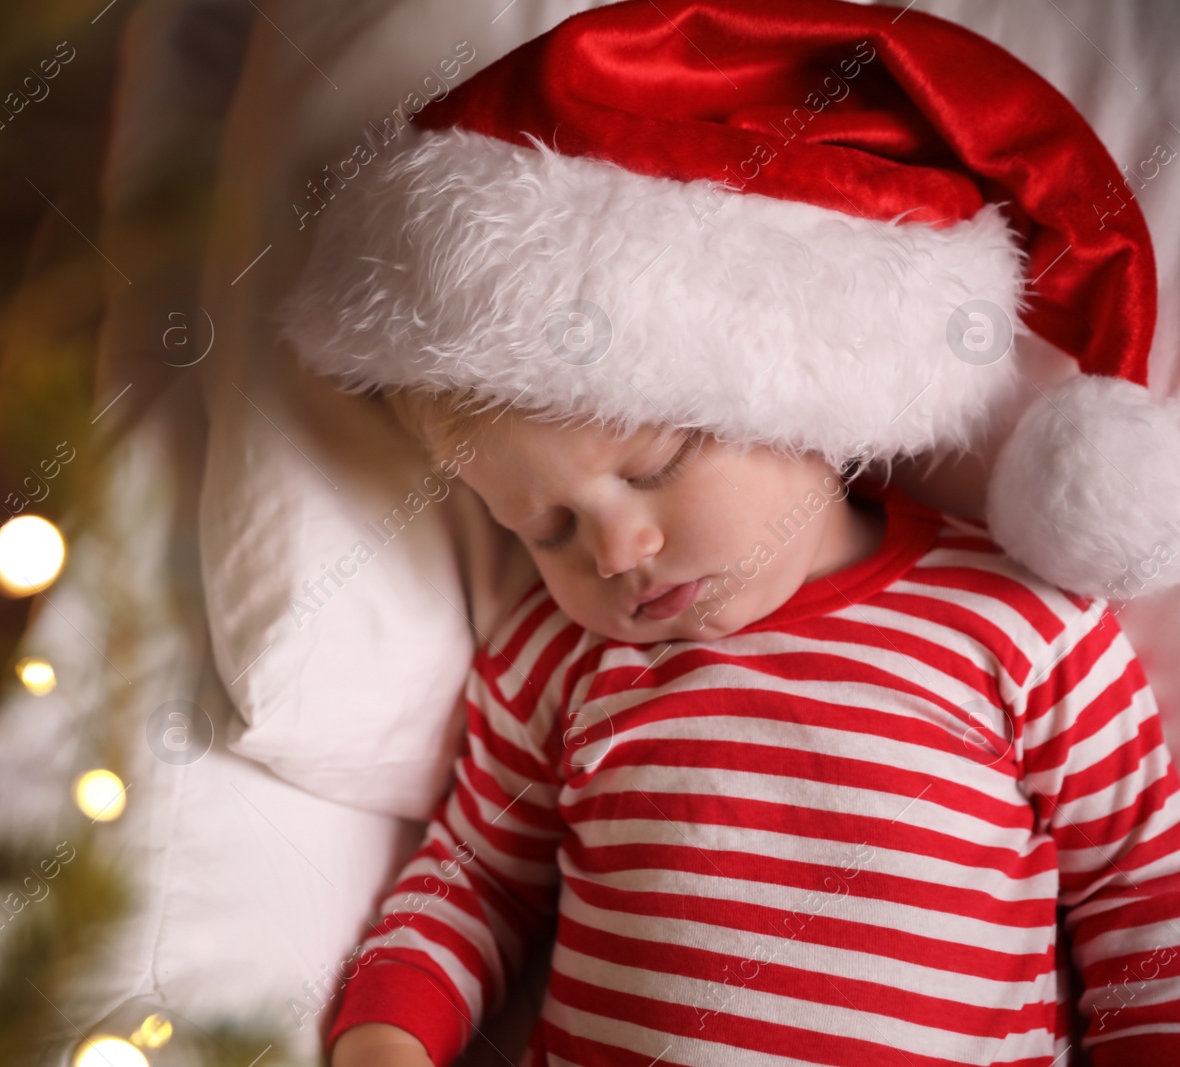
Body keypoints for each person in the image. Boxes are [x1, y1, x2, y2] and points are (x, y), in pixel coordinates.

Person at [273, 1, 1180, 1064]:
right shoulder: (557, 659)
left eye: (654, 469)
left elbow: (1136, 895)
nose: (611, 551)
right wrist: (386, 1036)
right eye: (545, 526)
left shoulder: (1017, 621)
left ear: (801, 411)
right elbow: (472, 874)